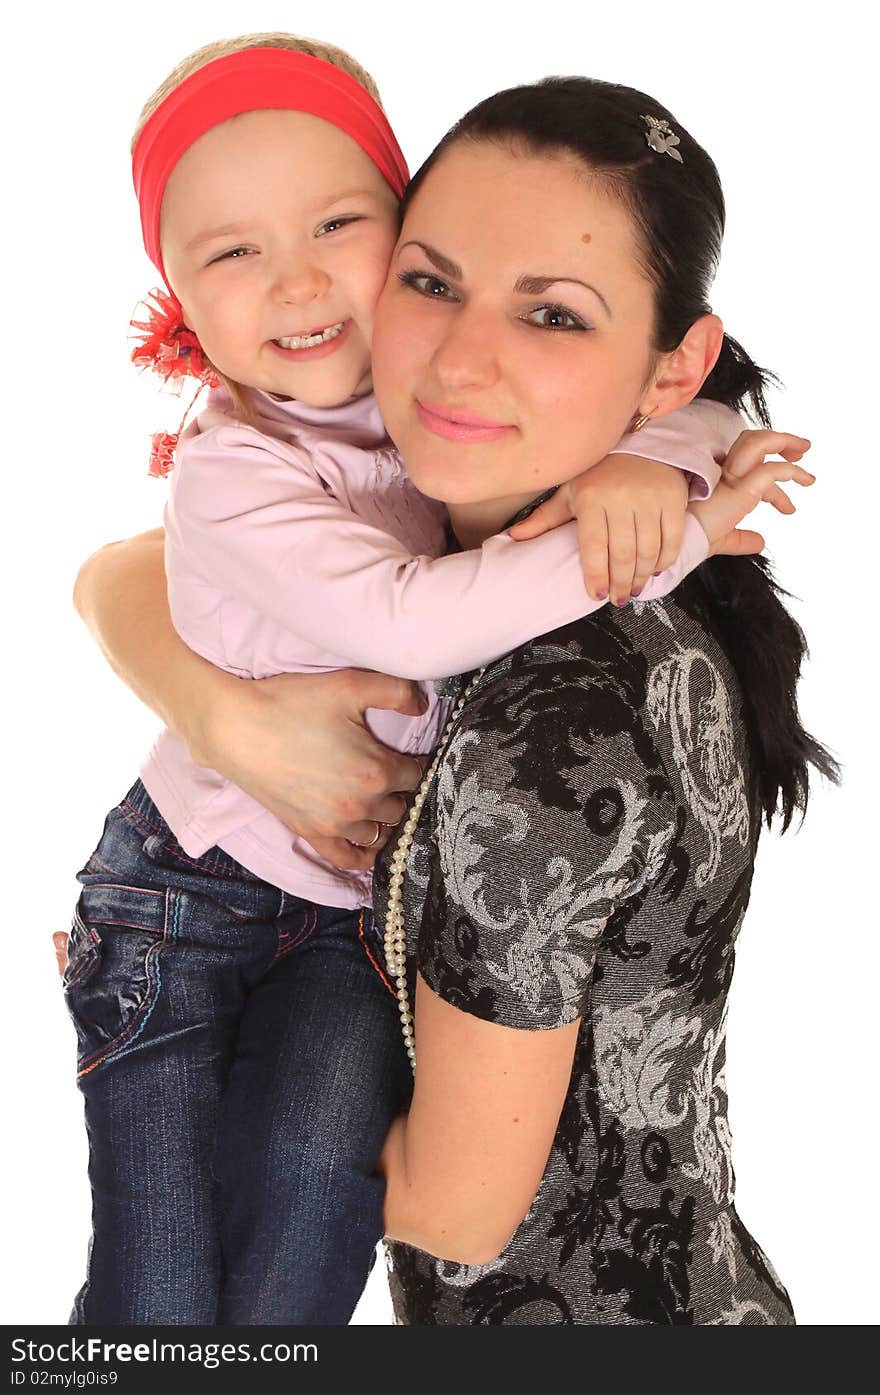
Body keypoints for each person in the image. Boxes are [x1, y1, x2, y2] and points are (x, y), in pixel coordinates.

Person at [60, 32, 760, 1327]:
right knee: (159, 1284)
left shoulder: (538, 705)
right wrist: (672, 510)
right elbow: (375, 606)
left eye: (342, 224)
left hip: (358, 953)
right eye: (232, 251)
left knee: (278, 1239)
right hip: (200, 894)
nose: (301, 279)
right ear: (179, 310)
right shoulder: (281, 452)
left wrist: (663, 478)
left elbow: (450, 1206)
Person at [364, 77, 833, 1324]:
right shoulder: (600, 597)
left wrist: (163, 1043)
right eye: (429, 281)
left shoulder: (551, 709)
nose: (462, 355)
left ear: (672, 368)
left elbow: (455, 1207)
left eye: (554, 316)